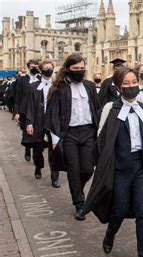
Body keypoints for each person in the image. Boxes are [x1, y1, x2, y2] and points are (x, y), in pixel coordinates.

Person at [84, 67, 143, 257]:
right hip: (120, 167)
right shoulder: (111, 110)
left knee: (142, 211)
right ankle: (110, 234)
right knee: (118, 209)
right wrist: (97, 165)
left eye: (133, 82)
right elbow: (102, 140)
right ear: (118, 87)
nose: (130, 87)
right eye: (125, 84)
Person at [45, 54, 101, 221]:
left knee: (87, 169)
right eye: (75, 69)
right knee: (73, 169)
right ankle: (79, 204)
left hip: (88, 132)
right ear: (68, 69)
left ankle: (78, 189)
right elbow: (53, 113)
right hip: (68, 134)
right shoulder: (59, 88)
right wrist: (55, 139)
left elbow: (97, 109)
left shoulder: (90, 86)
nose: (79, 71)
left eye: (81, 69)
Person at [23, 59, 60, 187]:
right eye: (45, 68)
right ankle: (38, 167)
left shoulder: (57, 86)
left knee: (54, 149)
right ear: (41, 70)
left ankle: (54, 177)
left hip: (53, 122)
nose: (48, 70)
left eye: (50, 67)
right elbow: (29, 106)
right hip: (39, 122)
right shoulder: (33, 87)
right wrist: (29, 123)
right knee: (38, 149)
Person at [14, 59, 41, 161]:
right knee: (26, 131)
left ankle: (35, 154)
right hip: (24, 110)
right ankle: (27, 149)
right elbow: (17, 96)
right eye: (32, 67)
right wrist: (17, 112)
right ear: (29, 67)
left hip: (37, 110)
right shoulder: (22, 80)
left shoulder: (41, 78)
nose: (34, 68)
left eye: (36, 66)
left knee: (36, 132)